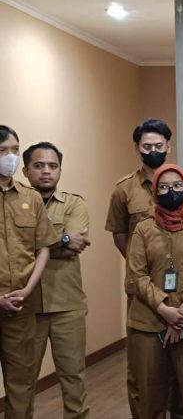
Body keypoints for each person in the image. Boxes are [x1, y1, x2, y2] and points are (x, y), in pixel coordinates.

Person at [105, 118, 183, 418]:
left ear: (168, 146)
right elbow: (119, 234)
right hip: (142, 294)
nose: (153, 151)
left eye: (158, 145)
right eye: (147, 146)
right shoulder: (124, 189)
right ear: (137, 148)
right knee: (144, 373)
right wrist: (142, 270)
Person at [126, 163, 183, 418]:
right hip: (148, 323)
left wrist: (180, 313)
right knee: (151, 397)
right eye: (164, 187)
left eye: (177, 186)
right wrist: (164, 310)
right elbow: (137, 275)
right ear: (155, 191)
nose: (171, 191)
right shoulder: (143, 229)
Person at [23, 142, 92, 418]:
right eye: (39, 165)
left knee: (74, 380)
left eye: (53, 166)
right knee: (22, 382)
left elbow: (74, 246)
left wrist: (32, 245)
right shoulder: (13, 204)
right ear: (26, 171)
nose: (46, 171)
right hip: (25, 307)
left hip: (68, 306)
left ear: (60, 170)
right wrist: (62, 239)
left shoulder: (75, 203)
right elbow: (11, 249)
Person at [0, 126, 58, 419]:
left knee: (21, 381)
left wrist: (27, 289)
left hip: (20, 307)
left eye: (14, 149)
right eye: (2, 151)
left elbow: (43, 247)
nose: (10, 157)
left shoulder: (30, 197)